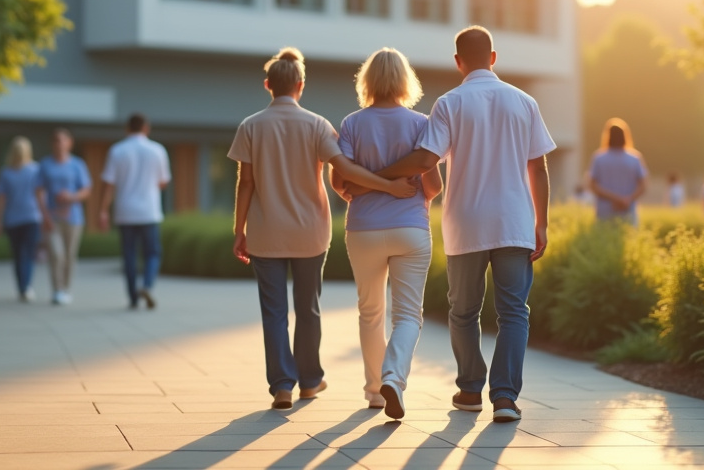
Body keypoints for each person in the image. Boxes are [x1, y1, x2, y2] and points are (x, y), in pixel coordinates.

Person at [374, 27, 555, 424]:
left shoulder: (449, 103)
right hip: (514, 222)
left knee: (463, 312)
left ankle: (470, 388)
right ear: (493, 57)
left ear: (458, 62)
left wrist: (380, 174)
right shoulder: (524, 102)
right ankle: (505, 398)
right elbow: (538, 167)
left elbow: (425, 161)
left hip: (466, 223)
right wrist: (541, 223)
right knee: (514, 312)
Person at [228, 47, 417, 412]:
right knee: (308, 307)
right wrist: (389, 186)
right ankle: (310, 380)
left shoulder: (250, 126)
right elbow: (345, 170)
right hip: (310, 232)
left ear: (268, 85)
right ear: (300, 85)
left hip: (265, 232)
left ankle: (282, 385)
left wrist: (240, 229)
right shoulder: (317, 125)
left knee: (273, 312)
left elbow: (245, 183)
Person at [330, 48, 444, 419]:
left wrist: (362, 190)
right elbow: (434, 184)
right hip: (410, 227)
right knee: (408, 315)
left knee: (370, 313)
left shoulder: (351, 123)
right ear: (405, 80)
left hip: (363, 228)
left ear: (367, 80)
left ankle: (375, 392)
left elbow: (339, 179)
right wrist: (408, 189)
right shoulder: (420, 123)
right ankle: (393, 377)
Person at [99, 114, 172, 310]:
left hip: (125, 211)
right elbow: (163, 182)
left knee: (129, 255)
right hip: (149, 211)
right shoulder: (158, 150)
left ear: (127, 128)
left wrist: (103, 211)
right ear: (146, 128)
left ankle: (133, 298)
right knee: (152, 253)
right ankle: (147, 285)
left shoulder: (117, 150)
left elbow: (108, 184)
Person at [39, 128, 93, 306]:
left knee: (69, 255)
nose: (59, 144)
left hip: (74, 218)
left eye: (62, 140)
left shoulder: (77, 165)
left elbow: (86, 190)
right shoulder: (45, 165)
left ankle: (67, 289)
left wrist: (71, 196)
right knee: (56, 254)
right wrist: (44, 215)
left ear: (69, 143)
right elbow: (38, 192)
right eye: (55, 140)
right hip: (52, 217)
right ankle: (57, 290)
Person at [0, 136, 48, 302]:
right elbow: (42, 195)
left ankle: (22, 286)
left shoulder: (6, 172)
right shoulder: (35, 169)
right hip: (31, 216)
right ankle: (26, 287)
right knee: (28, 254)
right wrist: (45, 215)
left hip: (13, 219)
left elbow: (1, 200)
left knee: (18, 255)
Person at [586, 119, 647, 226]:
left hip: (604, 213)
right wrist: (627, 200)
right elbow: (643, 185)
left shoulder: (599, 158)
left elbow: (592, 185)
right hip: (628, 211)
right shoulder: (635, 158)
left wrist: (614, 199)